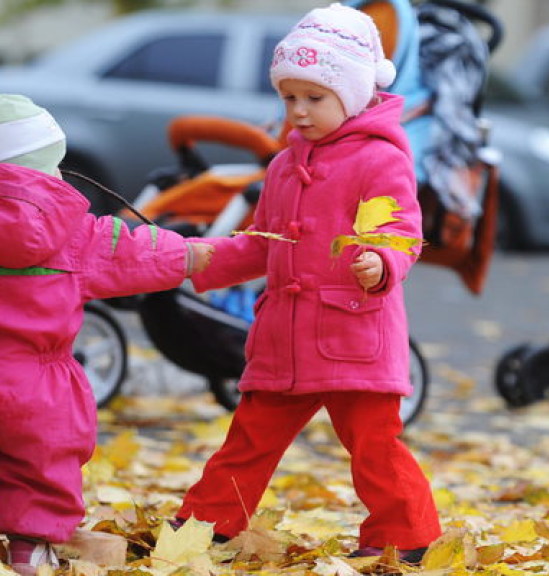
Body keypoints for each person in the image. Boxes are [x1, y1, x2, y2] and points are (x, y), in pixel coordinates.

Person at [174, 3, 442, 563]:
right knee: (248, 439)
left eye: (314, 98)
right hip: (284, 337)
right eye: (288, 97)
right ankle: (205, 527)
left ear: (352, 94)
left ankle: (406, 538)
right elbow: (261, 242)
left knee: (374, 446)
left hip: (353, 333)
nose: (297, 111)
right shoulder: (281, 166)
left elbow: (401, 229)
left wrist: (380, 261)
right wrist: (205, 259)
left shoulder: (380, 159)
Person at [0, 93, 214, 576]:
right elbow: (134, 250)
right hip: (38, 385)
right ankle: (30, 547)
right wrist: (189, 255)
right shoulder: (76, 234)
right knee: (43, 464)